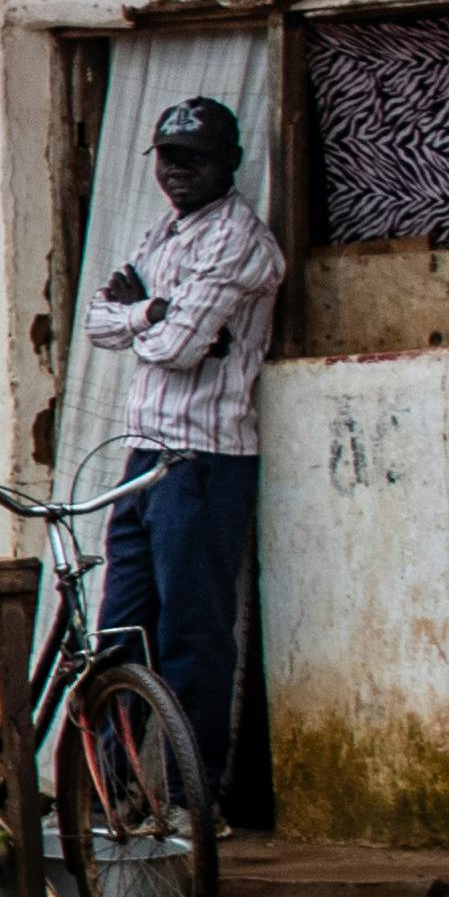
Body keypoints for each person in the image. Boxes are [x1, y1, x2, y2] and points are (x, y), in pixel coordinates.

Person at [83, 93, 285, 771]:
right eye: (168, 157)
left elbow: (183, 347)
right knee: (120, 634)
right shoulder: (163, 233)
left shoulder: (237, 237)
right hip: (145, 453)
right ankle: (115, 796)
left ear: (229, 163)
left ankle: (192, 803)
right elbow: (96, 321)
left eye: (193, 159)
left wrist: (135, 316)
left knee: (191, 635)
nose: (176, 171)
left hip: (203, 459)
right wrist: (148, 314)